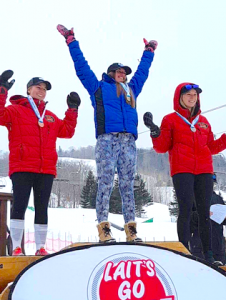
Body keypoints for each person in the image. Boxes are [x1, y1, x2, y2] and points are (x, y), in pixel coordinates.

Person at [57, 24, 157, 243]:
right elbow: (81, 67)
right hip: (107, 140)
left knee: (127, 185)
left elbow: (143, 73)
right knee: (105, 183)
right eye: (119, 71)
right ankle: (104, 228)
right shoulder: (99, 88)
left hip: (128, 141)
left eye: (125, 73)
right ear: (111, 73)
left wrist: (148, 52)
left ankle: (131, 230)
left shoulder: (132, 90)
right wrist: (71, 41)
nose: (123, 74)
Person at [143, 83, 226, 265]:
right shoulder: (170, 120)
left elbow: (211, 147)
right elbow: (161, 147)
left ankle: (209, 256)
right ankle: (185, 251)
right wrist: (155, 132)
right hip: (182, 170)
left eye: (195, 95)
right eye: (188, 94)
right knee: (186, 210)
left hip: (204, 170)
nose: (192, 98)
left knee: (205, 213)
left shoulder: (204, 122)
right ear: (179, 97)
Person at [0, 70, 81, 256]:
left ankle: (40, 248)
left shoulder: (50, 116)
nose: (42, 91)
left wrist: (72, 110)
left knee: (42, 207)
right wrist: (1, 89)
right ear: (29, 90)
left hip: (46, 169)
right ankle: (17, 248)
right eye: (38, 87)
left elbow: (67, 131)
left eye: (44, 89)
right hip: (22, 166)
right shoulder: (15, 110)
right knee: (20, 205)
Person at [190, 174, 226, 265]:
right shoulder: (193, 198)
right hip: (200, 246)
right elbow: (187, 220)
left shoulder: (219, 199)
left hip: (218, 245)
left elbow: (222, 220)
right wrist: (202, 215)